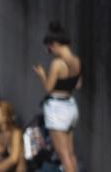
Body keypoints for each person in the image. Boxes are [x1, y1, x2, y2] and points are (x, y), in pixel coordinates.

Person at [33, 21, 81, 172]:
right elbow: (78, 85)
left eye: (49, 48)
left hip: (57, 108)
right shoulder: (76, 61)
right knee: (70, 153)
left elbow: (48, 88)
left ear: (54, 44)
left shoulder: (57, 64)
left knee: (63, 154)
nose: (50, 52)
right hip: (70, 106)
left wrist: (42, 75)